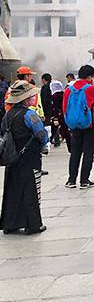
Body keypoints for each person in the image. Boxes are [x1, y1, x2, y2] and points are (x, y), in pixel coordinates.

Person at [0, 81, 50, 235]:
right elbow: (42, 136)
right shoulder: (30, 114)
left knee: (12, 189)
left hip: (12, 157)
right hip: (29, 158)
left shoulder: (7, 115)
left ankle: (10, 223)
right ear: (27, 98)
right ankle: (33, 224)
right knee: (31, 190)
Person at [63, 65, 94, 189]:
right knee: (88, 152)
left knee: (75, 152)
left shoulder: (69, 89)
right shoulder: (90, 88)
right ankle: (84, 180)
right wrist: (93, 86)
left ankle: (71, 180)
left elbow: (65, 107)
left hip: (74, 124)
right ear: (90, 76)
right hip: (90, 124)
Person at [49, 81, 68, 149]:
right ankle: (70, 147)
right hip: (64, 115)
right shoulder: (64, 94)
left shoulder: (55, 96)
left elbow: (55, 107)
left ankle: (48, 144)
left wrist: (55, 118)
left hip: (57, 116)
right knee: (66, 132)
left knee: (53, 131)